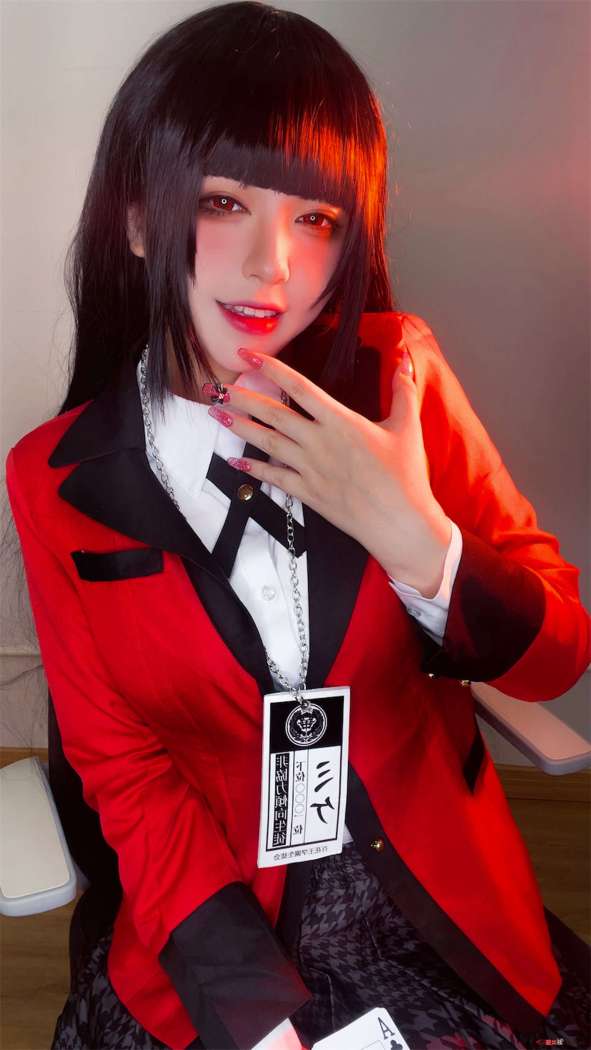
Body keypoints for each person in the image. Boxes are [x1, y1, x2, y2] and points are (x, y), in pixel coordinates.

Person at [5, 2, 590, 1049]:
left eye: (317, 218)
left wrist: (416, 540)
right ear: (137, 220)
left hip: (428, 909)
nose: (273, 264)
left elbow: (556, 659)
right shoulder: (54, 480)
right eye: (224, 202)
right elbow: (128, 777)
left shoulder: (398, 374)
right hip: (216, 921)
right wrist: (261, 1029)